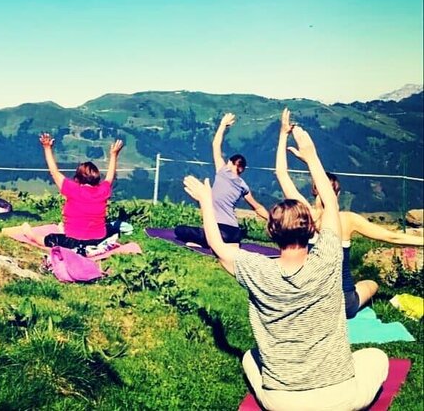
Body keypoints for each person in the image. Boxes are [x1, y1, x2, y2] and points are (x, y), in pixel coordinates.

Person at [183, 124, 388, 411]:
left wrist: (207, 202)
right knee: (377, 357)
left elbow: (218, 246)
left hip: (282, 401)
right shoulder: (329, 257)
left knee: (249, 357)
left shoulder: (256, 269)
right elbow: (330, 204)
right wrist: (311, 156)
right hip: (340, 397)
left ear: (271, 232)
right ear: (311, 230)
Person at [276, 108, 423, 318]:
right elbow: (392, 237)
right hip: (342, 303)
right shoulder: (348, 220)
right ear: (337, 194)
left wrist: (283, 134)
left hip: (311, 300)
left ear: (314, 191)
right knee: (371, 284)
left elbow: (282, 174)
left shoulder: (305, 214)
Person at [175, 112, 268, 247]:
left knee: (180, 230)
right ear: (242, 169)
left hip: (219, 231)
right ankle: (215, 242)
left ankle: (205, 243)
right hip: (235, 233)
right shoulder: (244, 186)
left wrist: (223, 124)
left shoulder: (223, 171)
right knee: (210, 234)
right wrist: (275, 221)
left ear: (230, 162)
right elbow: (257, 207)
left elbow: (216, 145)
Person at [40, 132, 124, 254]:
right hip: (98, 240)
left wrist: (47, 148)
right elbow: (110, 177)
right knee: (109, 228)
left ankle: (28, 233)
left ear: (77, 179)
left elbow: (54, 172)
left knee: (49, 239)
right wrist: (114, 154)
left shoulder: (73, 189)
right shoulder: (103, 190)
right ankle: (95, 248)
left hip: (73, 241)